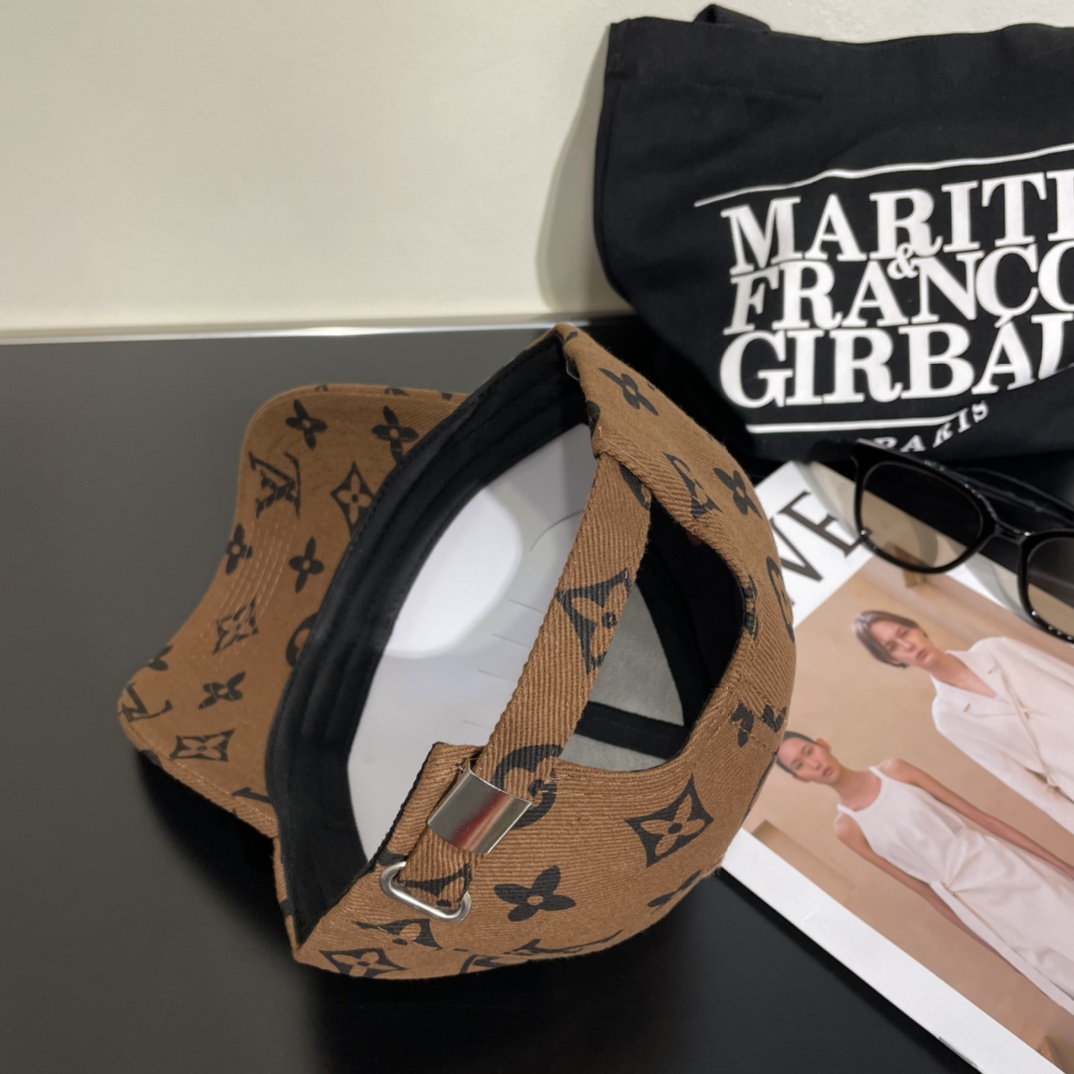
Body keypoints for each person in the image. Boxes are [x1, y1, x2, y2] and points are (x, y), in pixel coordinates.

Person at [777, 731, 1074, 1015]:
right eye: (800, 765)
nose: (814, 763)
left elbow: (984, 819)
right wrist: (1000, 953)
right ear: (799, 778)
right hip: (974, 904)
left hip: (1002, 864)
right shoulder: (848, 828)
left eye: (809, 751)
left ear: (823, 744)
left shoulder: (894, 771)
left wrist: (1063, 867)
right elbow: (925, 892)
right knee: (1054, 965)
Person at [854, 611, 1074, 835]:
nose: (907, 645)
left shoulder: (996, 649)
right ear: (893, 659)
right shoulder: (948, 717)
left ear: (917, 628)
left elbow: (1068, 674)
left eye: (904, 633)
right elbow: (1018, 779)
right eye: (893, 647)